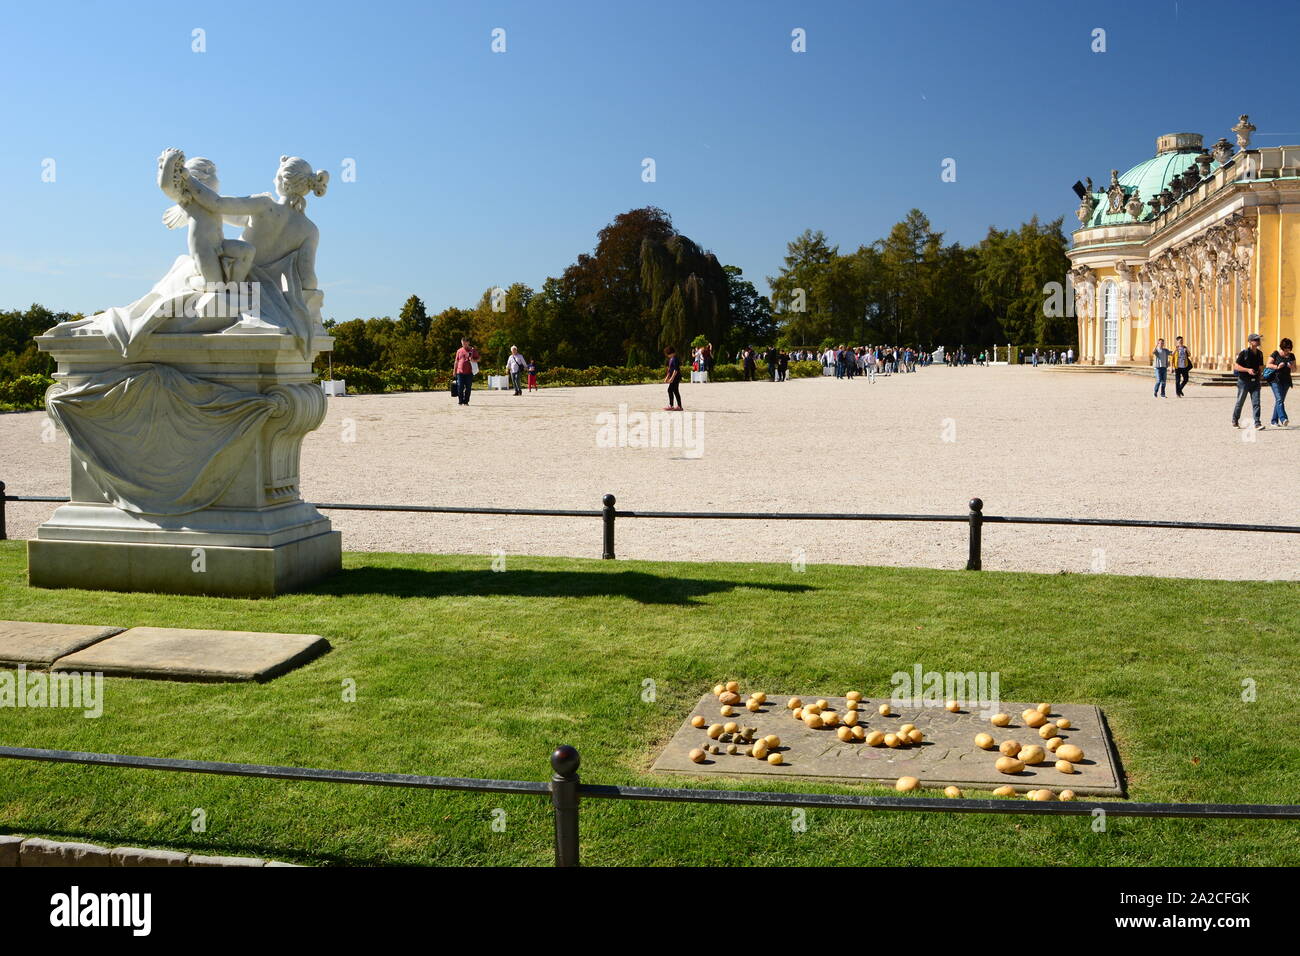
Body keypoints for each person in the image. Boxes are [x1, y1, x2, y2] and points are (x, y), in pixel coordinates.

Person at [1231, 332, 1266, 429]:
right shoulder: (1244, 353)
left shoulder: (1260, 353)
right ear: (1250, 342)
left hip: (1255, 382)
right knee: (1240, 402)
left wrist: (1260, 375)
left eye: (1259, 339)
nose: (1258, 341)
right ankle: (1235, 419)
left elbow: (1260, 366)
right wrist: (1247, 370)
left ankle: (1257, 423)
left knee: (1256, 403)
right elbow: (1236, 366)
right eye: (1256, 340)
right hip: (1244, 381)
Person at [1266, 337, 1295, 427]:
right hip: (1275, 380)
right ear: (1282, 348)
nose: (1288, 351)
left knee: (1280, 401)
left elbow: (1295, 369)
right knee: (1279, 400)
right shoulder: (1275, 353)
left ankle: (1274, 421)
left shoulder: (1291, 356)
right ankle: (1283, 419)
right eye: (1286, 349)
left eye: (1289, 349)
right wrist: (1277, 366)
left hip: (1286, 381)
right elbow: (1268, 365)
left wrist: (1291, 367)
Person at [453, 337, 479, 406]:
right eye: (462, 343)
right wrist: (454, 371)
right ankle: (460, 401)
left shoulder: (473, 350)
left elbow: (479, 358)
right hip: (460, 372)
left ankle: (466, 401)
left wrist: (473, 360)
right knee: (460, 387)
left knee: (468, 388)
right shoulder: (459, 351)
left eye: (465, 343)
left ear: (468, 343)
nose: (463, 345)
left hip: (469, 372)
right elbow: (456, 361)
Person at [664, 346, 683, 411]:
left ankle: (672, 405)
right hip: (674, 377)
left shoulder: (675, 359)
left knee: (670, 390)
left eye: (668, 354)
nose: (668, 356)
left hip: (676, 377)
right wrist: (667, 377)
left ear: (672, 353)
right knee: (675, 391)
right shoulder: (671, 359)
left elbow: (675, 370)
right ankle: (678, 406)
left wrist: (672, 378)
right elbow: (670, 370)